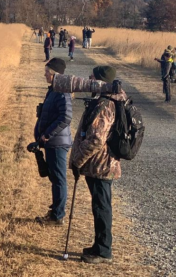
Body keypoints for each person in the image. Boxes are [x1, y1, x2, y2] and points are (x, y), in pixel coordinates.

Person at [70, 65, 124, 264]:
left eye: (92, 78)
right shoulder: (103, 101)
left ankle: (103, 251)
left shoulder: (105, 105)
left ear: (101, 82)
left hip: (101, 165)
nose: (88, 80)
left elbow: (96, 140)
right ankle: (99, 245)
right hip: (98, 164)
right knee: (99, 206)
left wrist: (78, 160)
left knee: (102, 207)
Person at [34, 58, 73, 226]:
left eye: (47, 73)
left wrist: (48, 135)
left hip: (57, 143)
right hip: (52, 142)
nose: (45, 75)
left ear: (55, 75)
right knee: (55, 178)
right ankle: (55, 210)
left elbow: (66, 117)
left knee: (58, 179)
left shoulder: (62, 92)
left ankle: (57, 216)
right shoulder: (53, 90)